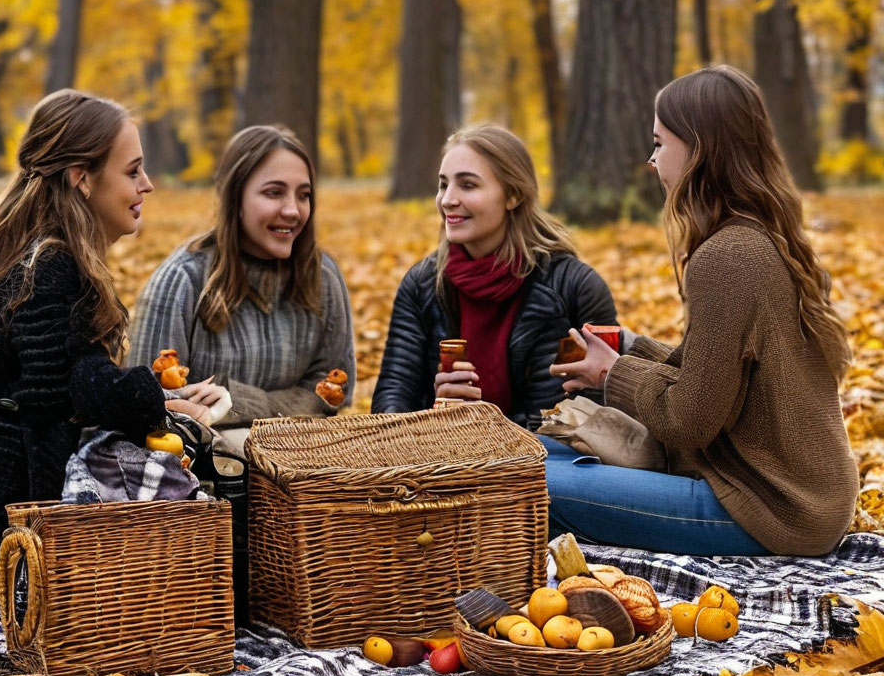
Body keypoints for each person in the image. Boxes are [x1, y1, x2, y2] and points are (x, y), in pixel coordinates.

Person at [0, 89, 211, 599]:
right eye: (132, 171)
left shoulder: (41, 257)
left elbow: (69, 376)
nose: (147, 185)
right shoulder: (51, 266)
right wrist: (155, 397)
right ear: (81, 178)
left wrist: (161, 398)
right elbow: (65, 397)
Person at [548, 65, 858, 557]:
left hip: (769, 511)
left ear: (698, 148)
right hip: (803, 500)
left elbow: (689, 421)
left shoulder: (727, 258)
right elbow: (723, 379)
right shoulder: (757, 237)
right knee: (533, 451)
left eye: (659, 143)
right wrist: (632, 347)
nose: (653, 161)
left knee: (530, 480)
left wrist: (614, 374)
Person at [371, 123, 617, 428]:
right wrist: (436, 413)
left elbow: (601, 412)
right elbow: (391, 402)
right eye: (443, 184)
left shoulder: (575, 288)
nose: (448, 199)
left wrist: (483, 426)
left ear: (513, 195)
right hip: (441, 462)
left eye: (468, 185)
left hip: (546, 466)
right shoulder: (422, 285)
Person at [127, 125, 356, 429]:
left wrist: (234, 400)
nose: (293, 210)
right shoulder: (182, 281)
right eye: (273, 193)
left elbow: (331, 390)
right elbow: (144, 403)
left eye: (304, 195)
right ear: (234, 199)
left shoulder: (323, 276)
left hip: (296, 460)